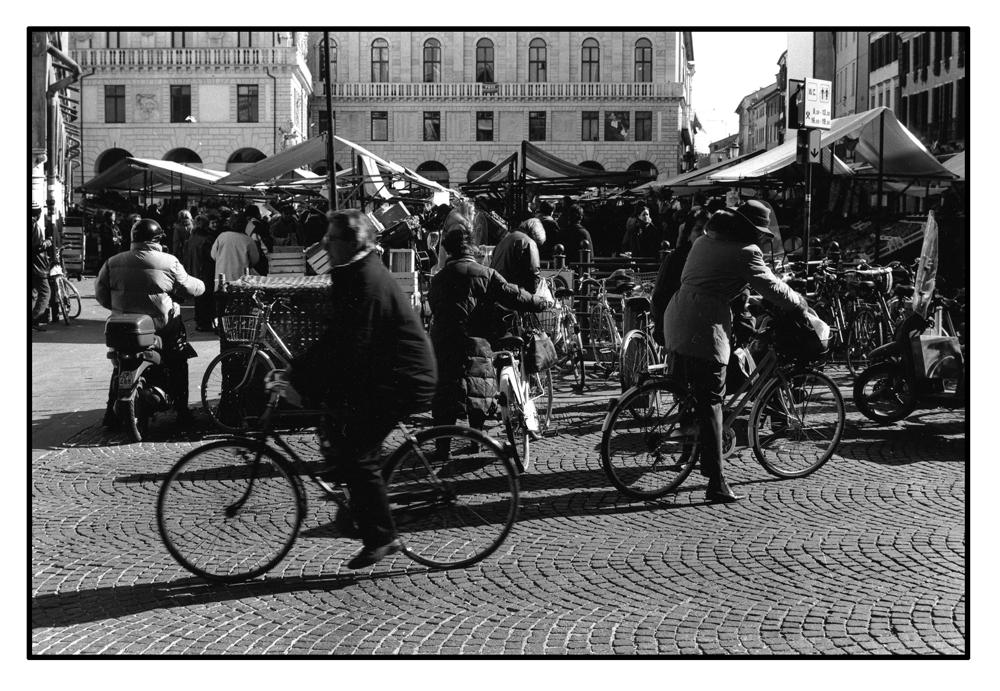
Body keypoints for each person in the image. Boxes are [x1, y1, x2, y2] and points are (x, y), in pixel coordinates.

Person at [281, 209, 438, 569]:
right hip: (385, 370)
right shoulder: (352, 271)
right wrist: (298, 371)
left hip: (404, 377)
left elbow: (349, 345)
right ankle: (357, 498)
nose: (323, 244)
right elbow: (337, 336)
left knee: (359, 452)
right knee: (338, 421)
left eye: (330, 238)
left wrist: (301, 380)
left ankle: (384, 537)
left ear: (352, 243)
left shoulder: (365, 279)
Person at [662, 200, 808, 504]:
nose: (761, 239)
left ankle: (697, 452)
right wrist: (801, 305)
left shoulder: (704, 239)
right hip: (705, 325)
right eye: (760, 233)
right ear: (750, 230)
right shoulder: (746, 252)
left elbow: (722, 279)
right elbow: (774, 288)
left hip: (677, 315)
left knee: (696, 392)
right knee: (712, 401)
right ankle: (716, 481)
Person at [429, 225, 549, 457]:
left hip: (443, 343)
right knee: (478, 390)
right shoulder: (485, 274)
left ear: (449, 251)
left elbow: (433, 306)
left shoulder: (439, 278)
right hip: (477, 342)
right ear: (471, 248)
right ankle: (476, 440)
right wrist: (541, 302)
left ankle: (442, 446)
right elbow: (514, 295)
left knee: (445, 394)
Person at [95, 219, 205, 428]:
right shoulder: (168, 262)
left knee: (119, 367)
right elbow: (189, 288)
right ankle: (182, 411)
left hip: (123, 327)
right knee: (179, 360)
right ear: (156, 240)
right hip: (161, 328)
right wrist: (202, 286)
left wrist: (120, 309)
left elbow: (101, 294)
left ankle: (110, 413)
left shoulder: (112, 262)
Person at [651, 209, 710, 347]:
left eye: (708, 229)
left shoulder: (717, 260)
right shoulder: (675, 259)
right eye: (698, 229)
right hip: (679, 331)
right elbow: (660, 296)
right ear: (688, 234)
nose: (704, 233)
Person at [489, 217, 544, 295]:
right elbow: (534, 273)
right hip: (514, 294)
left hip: (499, 291)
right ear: (536, 235)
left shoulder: (504, 240)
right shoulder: (529, 243)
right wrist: (532, 296)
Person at [185, 214, 217, 332]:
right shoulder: (207, 239)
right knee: (207, 299)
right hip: (205, 272)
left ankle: (200, 322)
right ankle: (205, 323)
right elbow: (212, 257)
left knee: (199, 299)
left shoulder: (192, 237)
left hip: (194, 271)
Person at [211, 214, 259, 284]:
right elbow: (254, 259)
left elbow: (213, 255)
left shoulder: (222, 236)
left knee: (222, 293)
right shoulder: (248, 240)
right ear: (245, 225)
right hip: (240, 278)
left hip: (222, 277)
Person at [30, 201, 51, 331]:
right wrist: (48, 242)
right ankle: (34, 319)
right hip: (36, 265)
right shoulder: (33, 225)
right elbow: (37, 246)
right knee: (45, 292)